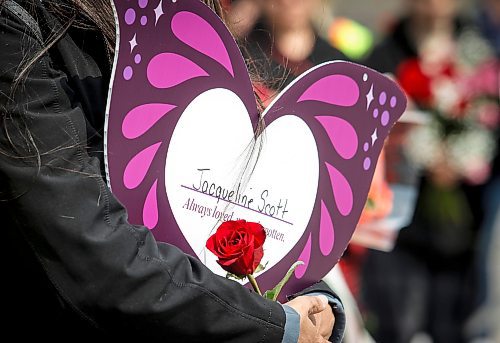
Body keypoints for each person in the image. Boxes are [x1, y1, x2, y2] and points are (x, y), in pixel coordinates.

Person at [0, 0, 339, 341]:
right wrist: (274, 325)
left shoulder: (182, 16)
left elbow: (238, 196)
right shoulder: (18, 24)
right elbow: (87, 243)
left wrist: (309, 297)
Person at [361, 0, 494, 342]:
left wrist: (468, 158)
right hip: (404, 236)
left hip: (467, 230)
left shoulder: (479, 48)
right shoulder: (386, 54)